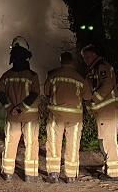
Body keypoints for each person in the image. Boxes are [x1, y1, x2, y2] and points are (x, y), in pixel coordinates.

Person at [0, 36, 40, 182]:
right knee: (31, 144)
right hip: (30, 117)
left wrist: (11, 109)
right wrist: (21, 108)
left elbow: (0, 93)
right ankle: (30, 175)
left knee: (10, 142)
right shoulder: (33, 76)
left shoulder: (6, 76)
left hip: (13, 117)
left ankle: (8, 172)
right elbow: (35, 94)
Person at [44, 51, 92, 183]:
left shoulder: (53, 75)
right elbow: (88, 96)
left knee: (53, 143)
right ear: (73, 62)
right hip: (75, 118)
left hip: (56, 116)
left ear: (61, 61)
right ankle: (71, 176)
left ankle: (53, 174)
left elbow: (46, 92)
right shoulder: (80, 78)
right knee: (73, 144)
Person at [81, 44, 118, 180]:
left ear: (93, 54)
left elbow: (107, 85)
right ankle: (109, 168)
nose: (85, 59)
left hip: (107, 110)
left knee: (107, 140)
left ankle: (113, 173)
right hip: (103, 111)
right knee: (104, 140)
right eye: (84, 57)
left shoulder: (101, 67)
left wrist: (94, 100)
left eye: (87, 56)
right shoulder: (92, 70)